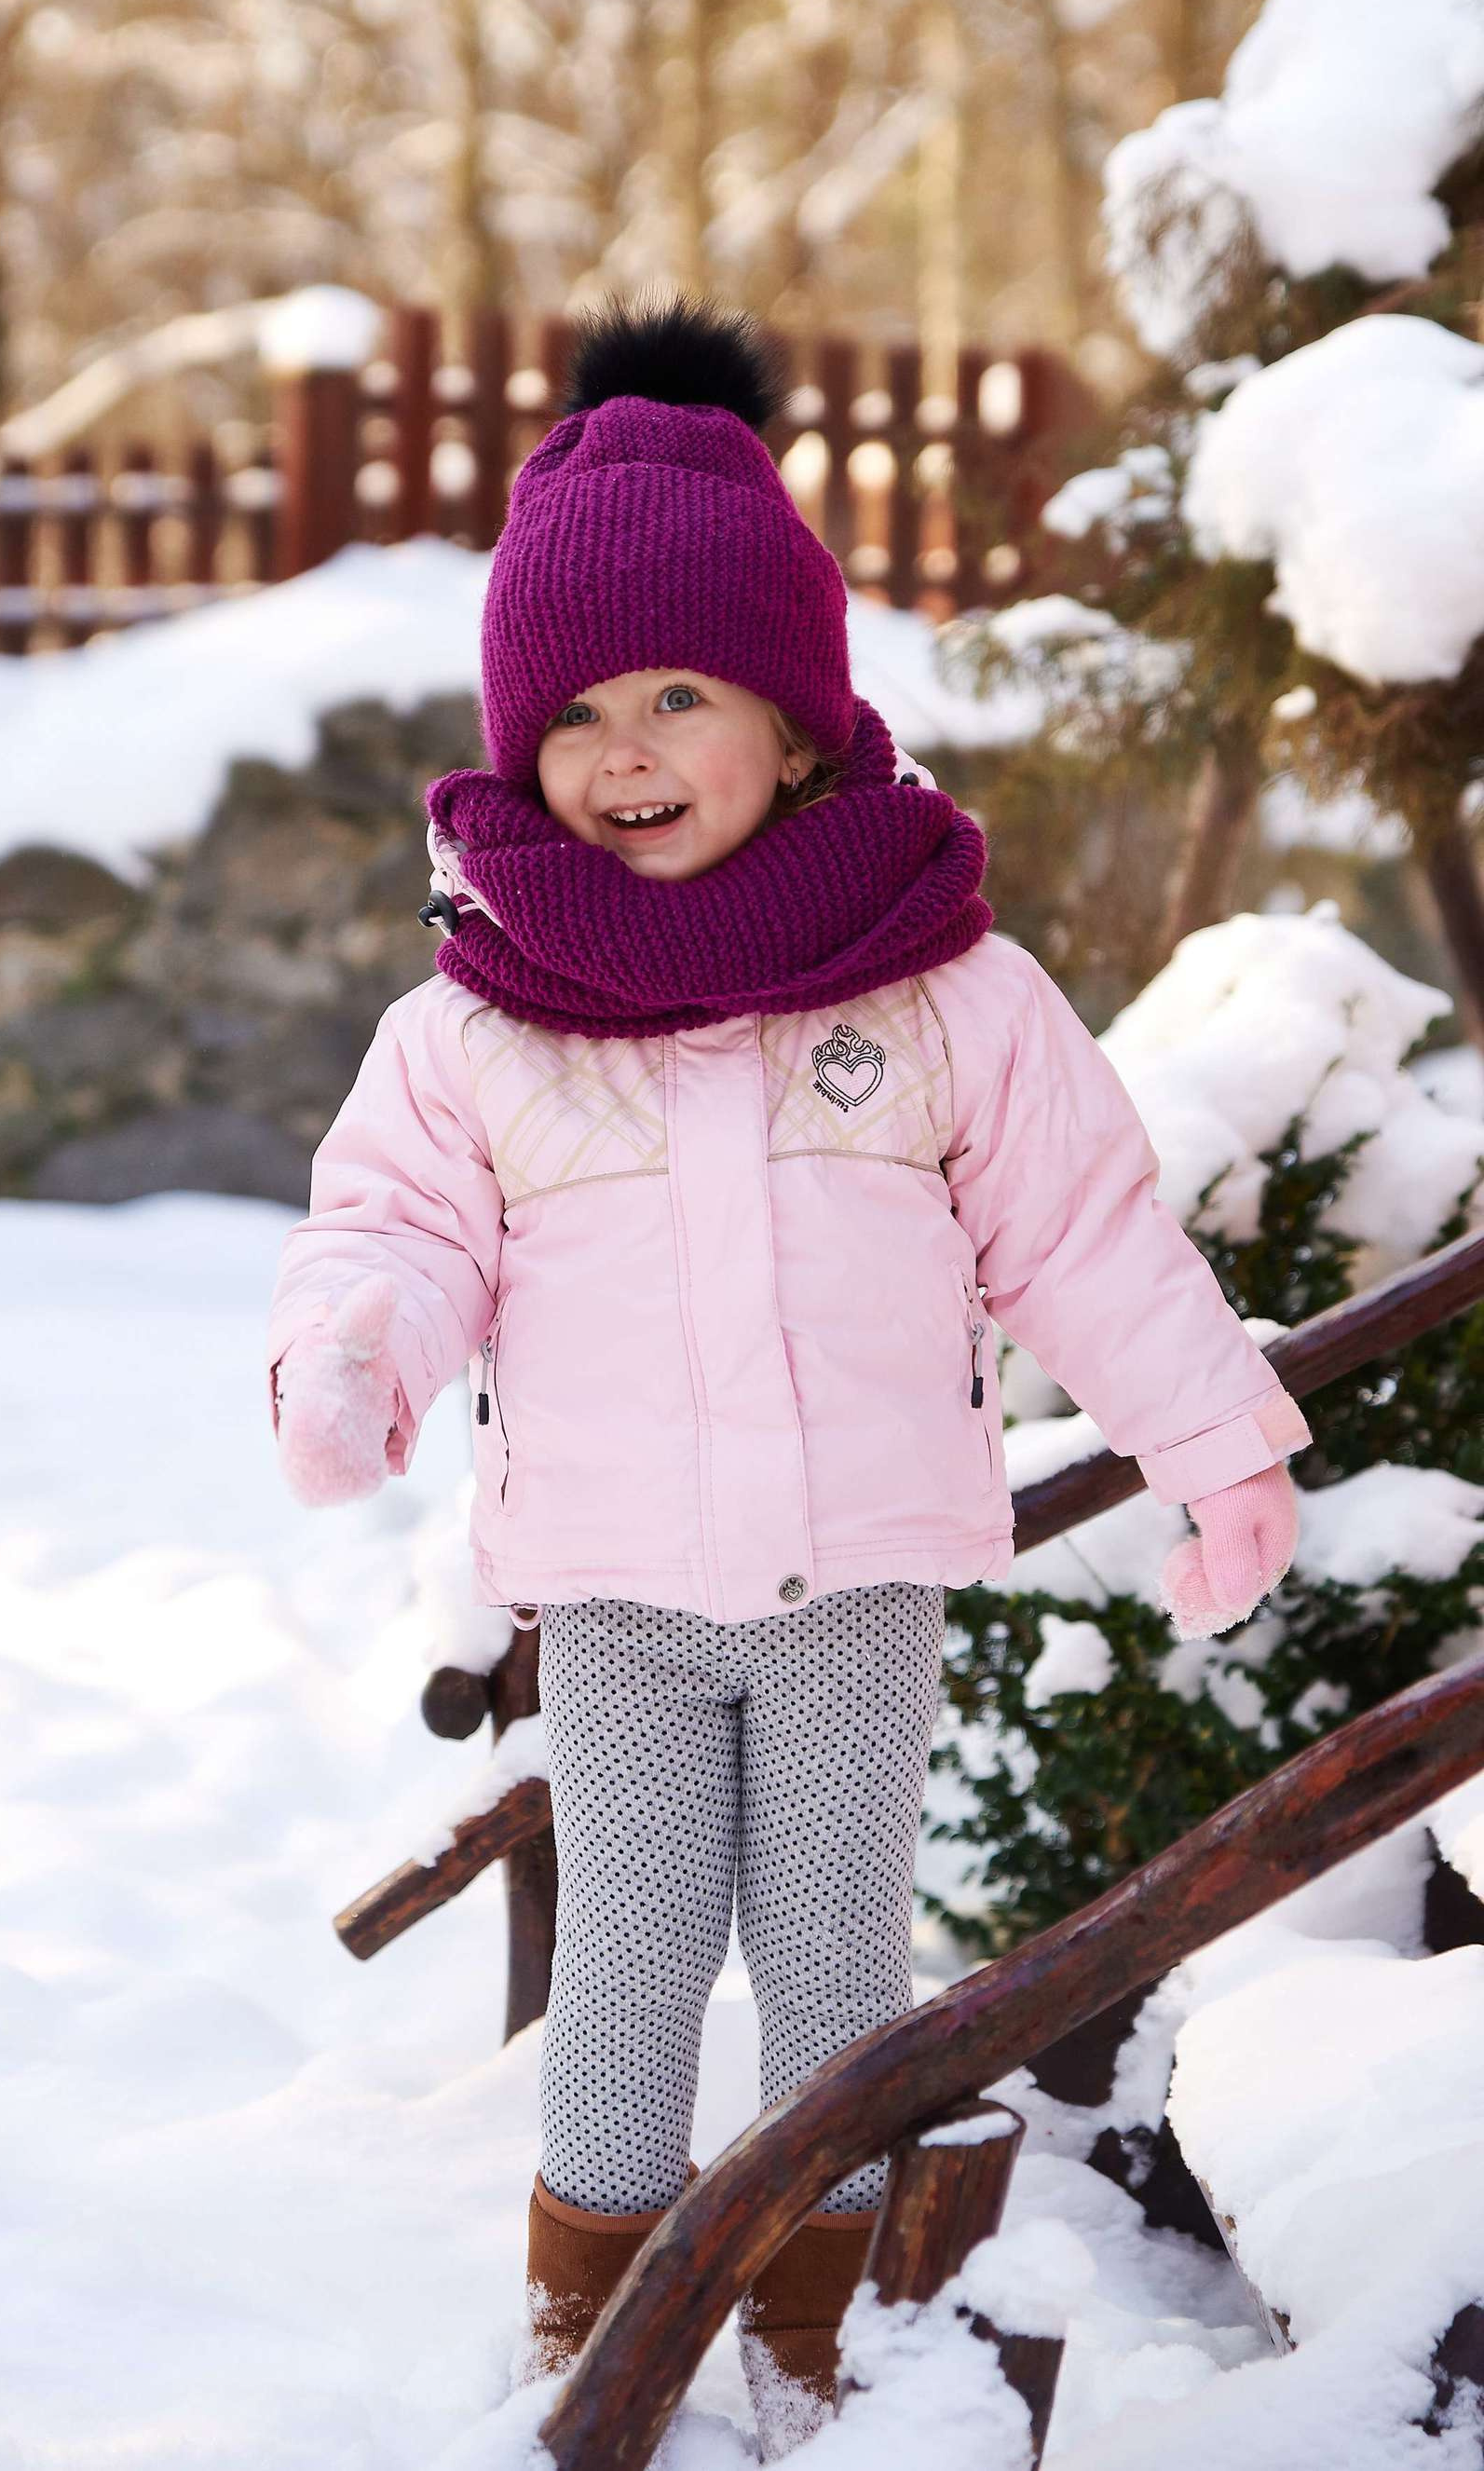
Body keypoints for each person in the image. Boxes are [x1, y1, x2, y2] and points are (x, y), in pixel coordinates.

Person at [263, 293, 1310, 2457]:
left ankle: (827, 2342)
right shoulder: (483, 1018)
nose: (623, 748)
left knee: (839, 1983)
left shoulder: (945, 993)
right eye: (575, 713)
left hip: (855, 1585)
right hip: (623, 1593)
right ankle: (593, 2343)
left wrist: (1216, 1447)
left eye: (679, 692)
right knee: (632, 1969)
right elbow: (396, 1228)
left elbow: (1088, 1240)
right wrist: (354, 1351)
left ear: (803, 719)